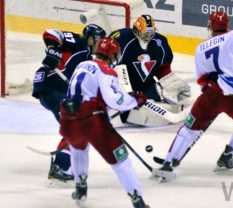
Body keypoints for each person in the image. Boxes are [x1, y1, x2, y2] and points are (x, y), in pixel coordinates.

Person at [152, 11, 233, 178]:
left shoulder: (200, 47)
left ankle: (169, 161)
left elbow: (201, 80)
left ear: (210, 26)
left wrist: (213, 93)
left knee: (189, 128)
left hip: (211, 96)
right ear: (227, 24)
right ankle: (227, 156)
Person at [59, 37, 150, 208]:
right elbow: (114, 100)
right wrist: (135, 100)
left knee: (79, 150)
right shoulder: (106, 70)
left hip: (67, 121)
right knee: (122, 161)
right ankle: (138, 201)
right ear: (113, 55)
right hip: (92, 122)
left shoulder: (82, 64)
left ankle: (80, 188)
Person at [32, 24, 106, 184]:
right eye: (99, 40)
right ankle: (59, 166)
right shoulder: (79, 41)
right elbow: (51, 33)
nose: (101, 45)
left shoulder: (88, 60)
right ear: (91, 38)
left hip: (56, 91)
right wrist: (53, 50)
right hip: (49, 85)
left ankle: (61, 163)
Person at [109, 14, 191, 126]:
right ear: (136, 29)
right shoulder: (122, 39)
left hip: (147, 87)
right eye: (144, 33)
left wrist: (170, 82)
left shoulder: (160, 42)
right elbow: (111, 68)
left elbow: (163, 68)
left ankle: (181, 108)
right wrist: (125, 93)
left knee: (168, 102)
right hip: (123, 88)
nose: (147, 37)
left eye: (150, 33)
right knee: (129, 113)